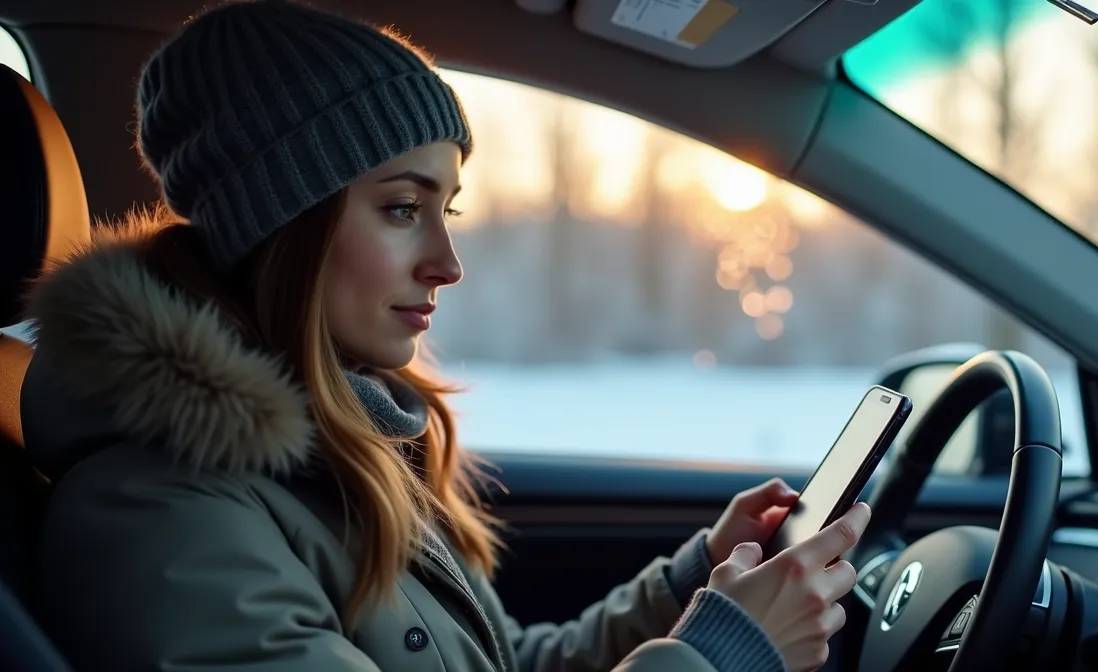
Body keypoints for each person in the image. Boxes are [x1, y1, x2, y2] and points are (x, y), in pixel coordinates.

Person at [20, 2, 871, 671]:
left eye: (446, 209)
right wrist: (724, 656)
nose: (447, 262)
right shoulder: (160, 516)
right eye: (401, 208)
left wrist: (693, 585)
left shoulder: (346, 445)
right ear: (277, 225)